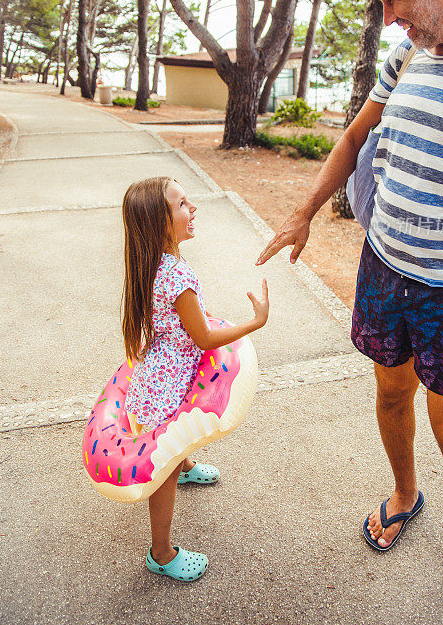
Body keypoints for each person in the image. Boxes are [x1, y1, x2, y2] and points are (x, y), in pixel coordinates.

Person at [256, 0, 443, 625]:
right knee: (386, 396)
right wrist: (304, 210)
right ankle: (405, 495)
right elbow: (355, 135)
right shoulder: (407, 55)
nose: (389, 16)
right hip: (383, 270)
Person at [122, 175, 269, 581]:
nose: (193, 208)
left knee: (177, 439)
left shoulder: (151, 262)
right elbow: (202, 336)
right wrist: (253, 323)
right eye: (182, 203)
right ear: (159, 222)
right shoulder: (175, 275)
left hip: (162, 372)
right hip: (168, 384)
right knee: (163, 462)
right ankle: (162, 552)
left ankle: (184, 464)